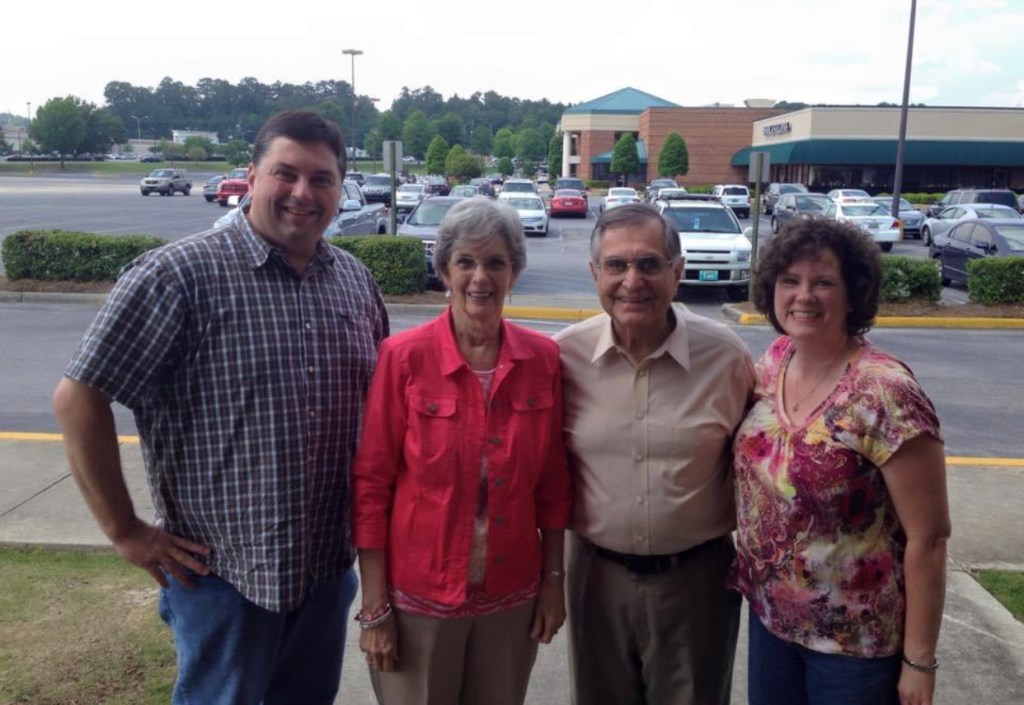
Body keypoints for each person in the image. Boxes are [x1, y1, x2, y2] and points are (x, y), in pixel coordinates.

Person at [52, 110, 388, 705]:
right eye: (285, 173)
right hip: (222, 580)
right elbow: (79, 396)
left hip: (327, 573)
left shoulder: (355, 282)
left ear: (341, 188)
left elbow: (382, 417)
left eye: (322, 178)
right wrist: (125, 530)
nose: (303, 192)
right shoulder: (178, 275)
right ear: (252, 177)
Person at [351, 196, 572, 705]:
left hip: (511, 595)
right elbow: (371, 486)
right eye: (465, 262)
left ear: (514, 272)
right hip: (418, 597)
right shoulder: (403, 357)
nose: (480, 277)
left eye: (496, 262)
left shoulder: (543, 359)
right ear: (444, 270)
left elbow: (553, 484)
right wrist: (375, 607)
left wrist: (553, 581)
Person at [730, 218, 951, 705]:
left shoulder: (885, 393)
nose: (804, 296)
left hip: (855, 647)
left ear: (854, 295)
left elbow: (930, 537)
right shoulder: (777, 359)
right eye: (790, 280)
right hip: (772, 623)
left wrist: (919, 661)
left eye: (824, 282)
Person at [554, 203, 755, 705]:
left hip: (697, 583)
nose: (632, 281)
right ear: (595, 274)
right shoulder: (563, 357)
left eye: (648, 263)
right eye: (616, 265)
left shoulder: (725, 356)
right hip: (595, 579)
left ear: (677, 271)